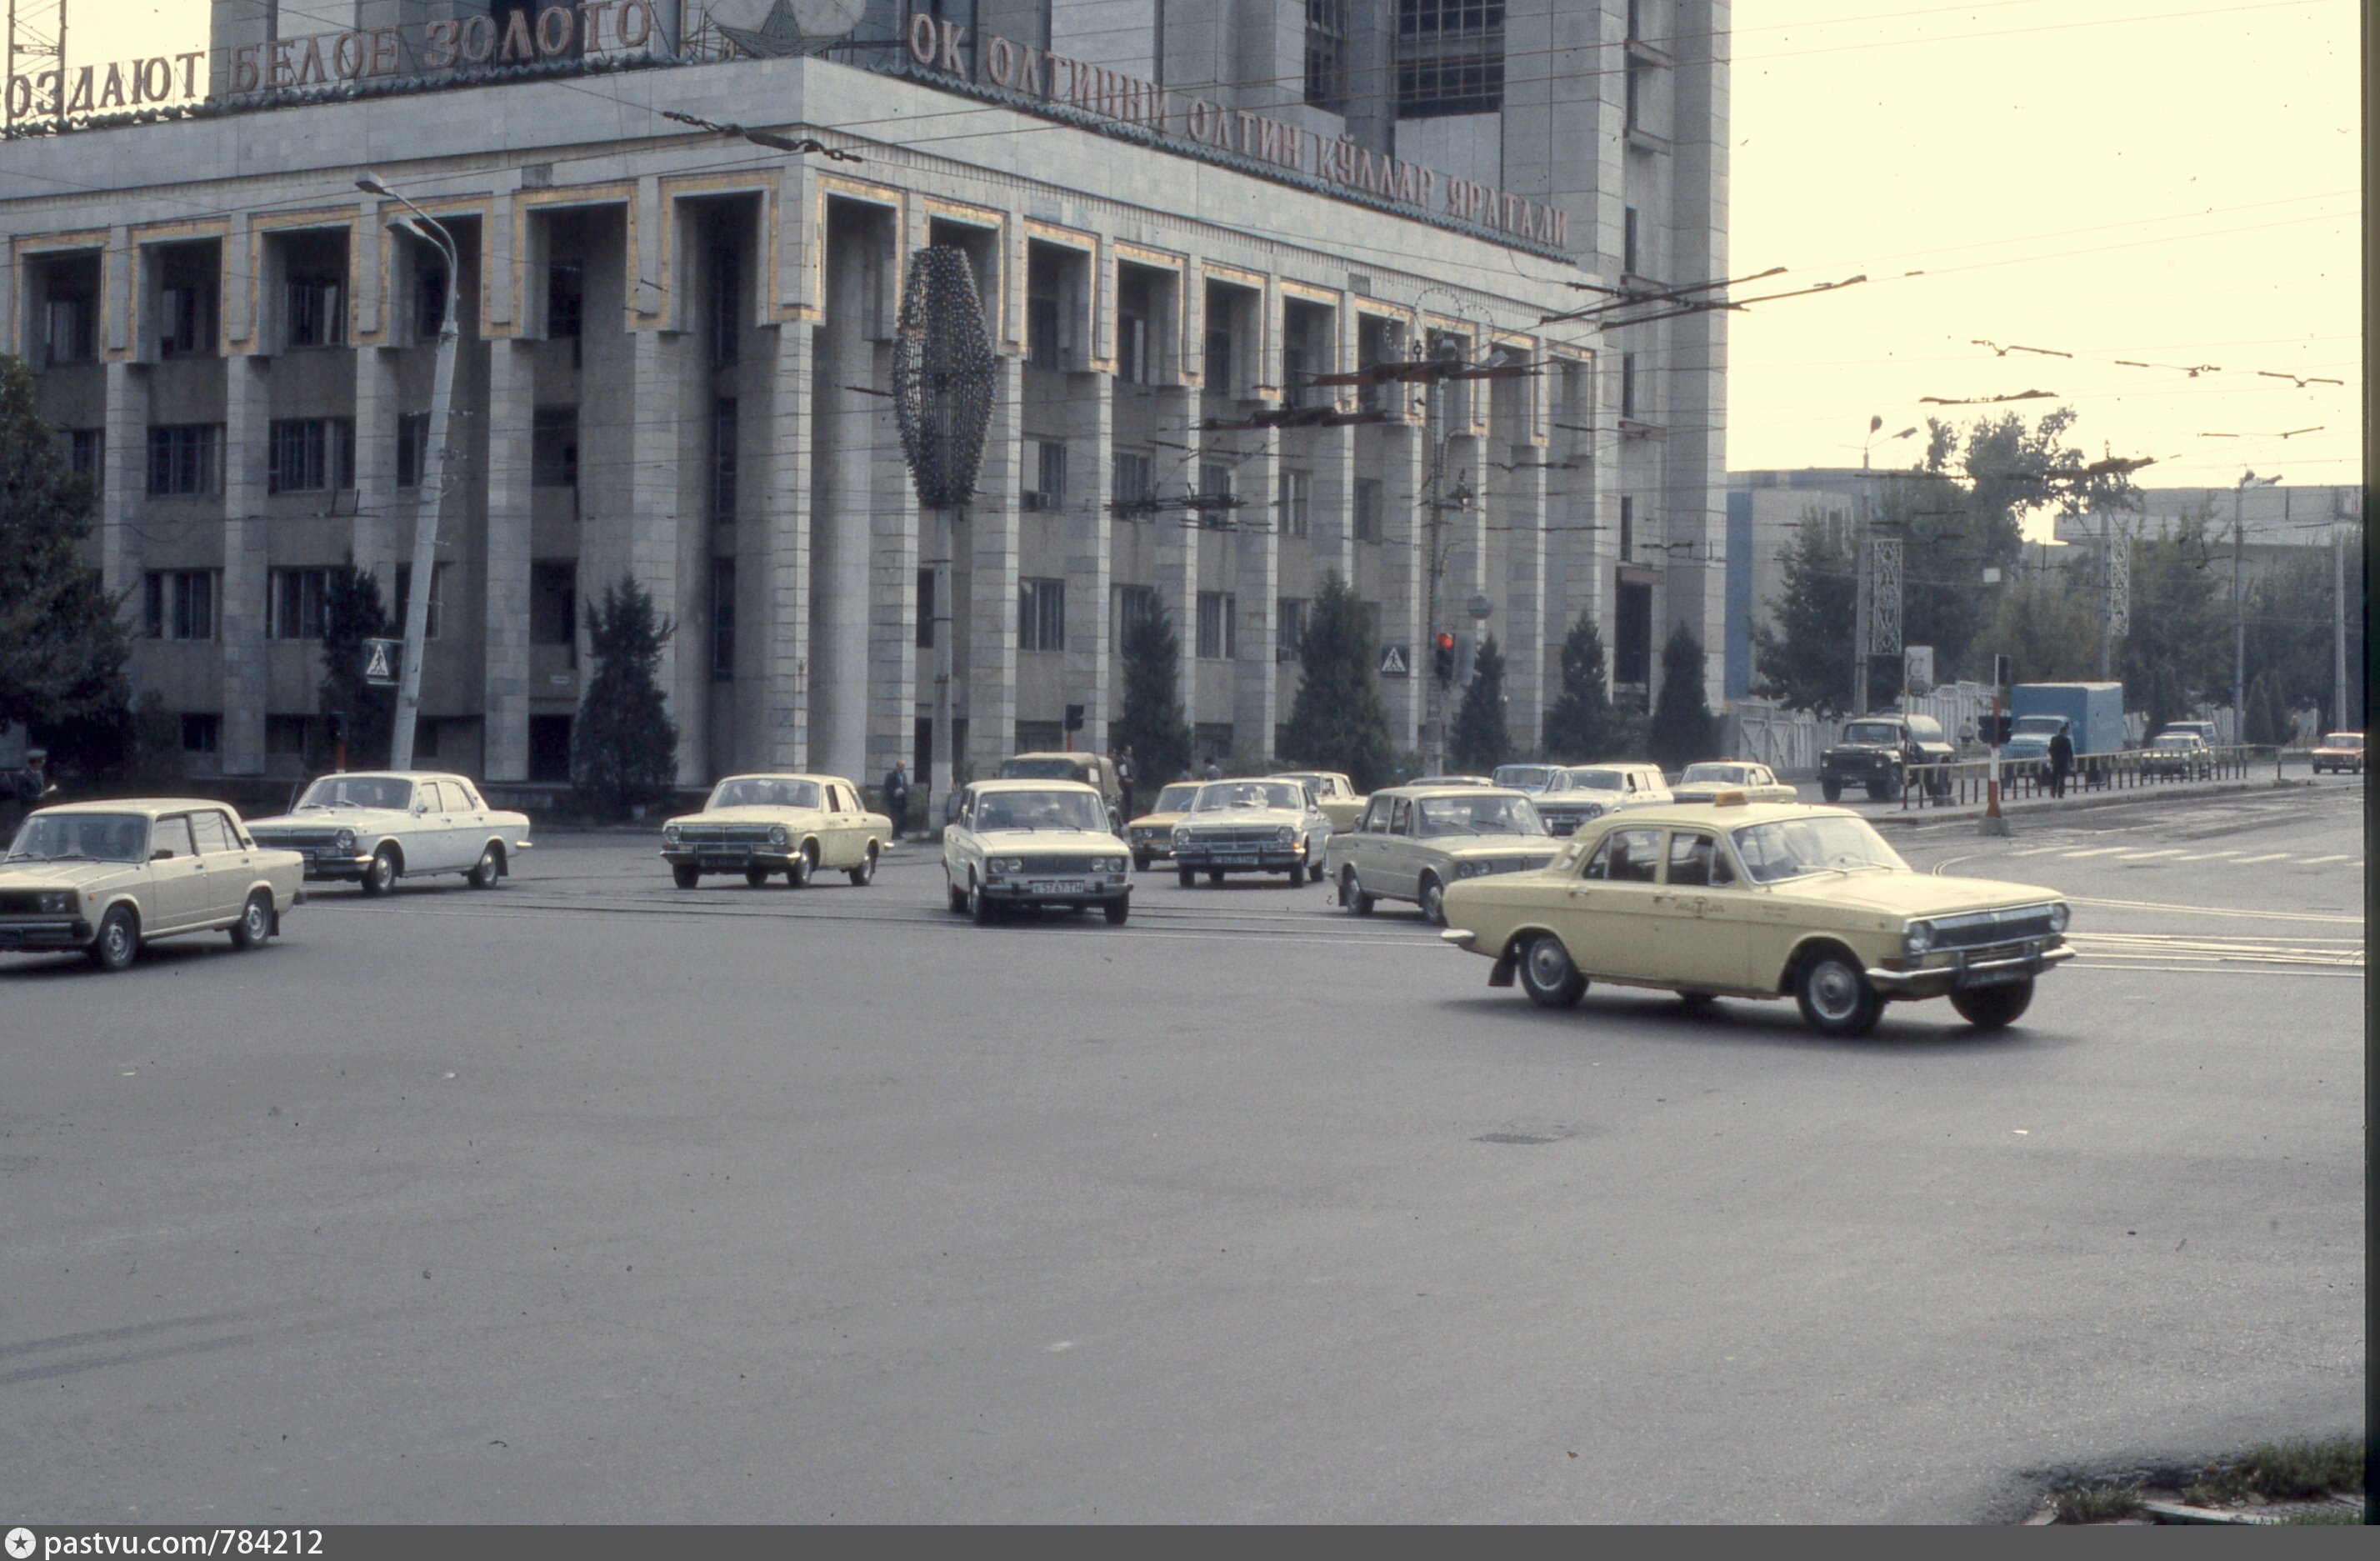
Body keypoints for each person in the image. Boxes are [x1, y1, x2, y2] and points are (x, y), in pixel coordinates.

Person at [882, 759, 912, 841]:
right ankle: (894, 833)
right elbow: (887, 786)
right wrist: (894, 791)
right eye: (902, 766)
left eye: (904, 766)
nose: (903, 768)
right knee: (895, 817)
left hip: (903, 800)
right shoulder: (891, 775)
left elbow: (906, 786)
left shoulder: (904, 775)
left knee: (902, 817)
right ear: (898, 766)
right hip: (894, 800)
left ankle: (899, 833)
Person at [2048, 725, 2074, 799]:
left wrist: (2053, 756)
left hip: (2055, 761)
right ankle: (2060, 793)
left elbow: (2050, 749)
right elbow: (2069, 752)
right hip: (2063, 762)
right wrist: (2071, 762)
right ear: (2064, 732)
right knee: (2062, 778)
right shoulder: (2066, 740)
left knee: (2054, 777)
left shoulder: (2054, 739)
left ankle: (2053, 792)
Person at [1116, 745, 1137, 821]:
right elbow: (1118, 771)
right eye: (1128, 750)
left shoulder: (1131, 760)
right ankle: (1122, 817)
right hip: (1122, 783)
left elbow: (1135, 771)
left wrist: (1132, 779)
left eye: (1130, 751)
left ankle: (1128, 818)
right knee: (1122, 801)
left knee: (1129, 801)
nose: (1129, 752)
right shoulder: (1118, 760)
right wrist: (1124, 779)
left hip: (1130, 784)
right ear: (1124, 751)